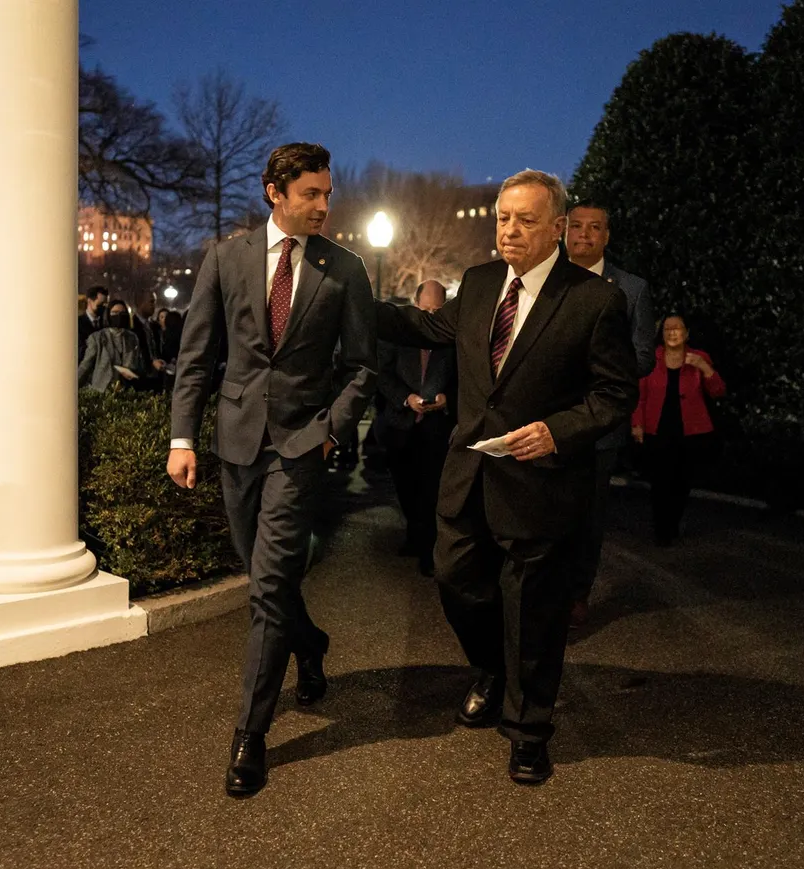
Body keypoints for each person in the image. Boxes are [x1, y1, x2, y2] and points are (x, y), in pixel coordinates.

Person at [375, 169, 637, 785]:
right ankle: (493, 669)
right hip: (468, 472)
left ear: (557, 228)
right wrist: (343, 291)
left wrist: (559, 430)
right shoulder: (483, 282)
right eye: (502, 218)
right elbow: (427, 328)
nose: (509, 230)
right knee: (455, 578)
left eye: (524, 220)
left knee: (534, 610)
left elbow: (615, 392)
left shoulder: (594, 300)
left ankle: (528, 731)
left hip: (540, 479)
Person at [167, 142, 376, 797]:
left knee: (266, 588)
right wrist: (182, 435)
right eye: (311, 193)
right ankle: (309, 642)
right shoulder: (225, 259)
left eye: (327, 192)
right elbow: (196, 356)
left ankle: (250, 735)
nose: (324, 204)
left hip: (299, 447)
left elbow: (363, 365)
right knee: (267, 576)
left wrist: (329, 430)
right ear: (273, 192)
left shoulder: (343, 269)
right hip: (234, 443)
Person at [565, 201, 655, 624]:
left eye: (594, 228)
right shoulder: (546, 278)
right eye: (576, 226)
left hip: (600, 422)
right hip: (546, 416)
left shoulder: (631, 288)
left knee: (589, 513)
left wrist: (596, 369)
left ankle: (577, 592)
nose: (584, 234)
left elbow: (642, 356)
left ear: (606, 235)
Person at [373, 280, 457, 576]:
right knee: (406, 486)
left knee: (430, 491)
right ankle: (414, 533)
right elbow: (382, 376)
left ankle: (428, 550)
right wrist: (406, 399)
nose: (431, 315)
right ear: (415, 304)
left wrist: (448, 398)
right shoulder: (399, 336)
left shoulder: (451, 339)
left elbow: (463, 379)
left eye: (437, 309)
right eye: (426, 308)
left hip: (437, 428)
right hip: (402, 424)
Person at [631, 314, 726, 545]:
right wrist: (637, 423)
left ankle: (673, 523)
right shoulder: (652, 359)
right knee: (660, 482)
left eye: (677, 329)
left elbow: (718, 391)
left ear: (686, 333)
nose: (672, 333)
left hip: (689, 431)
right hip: (658, 430)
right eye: (667, 329)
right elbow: (640, 395)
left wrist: (704, 368)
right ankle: (662, 530)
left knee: (682, 482)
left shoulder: (699, 358)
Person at [77, 301, 145, 391]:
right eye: (115, 312)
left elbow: (138, 363)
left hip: (127, 390)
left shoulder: (132, 337)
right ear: (108, 315)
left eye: (122, 313)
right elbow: (86, 365)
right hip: (103, 390)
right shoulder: (97, 337)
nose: (119, 316)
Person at [78, 286, 109, 363]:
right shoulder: (78, 324)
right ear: (89, 301)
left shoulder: (107, 323)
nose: (103, 307)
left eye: (105, 304)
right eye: (100, 304)